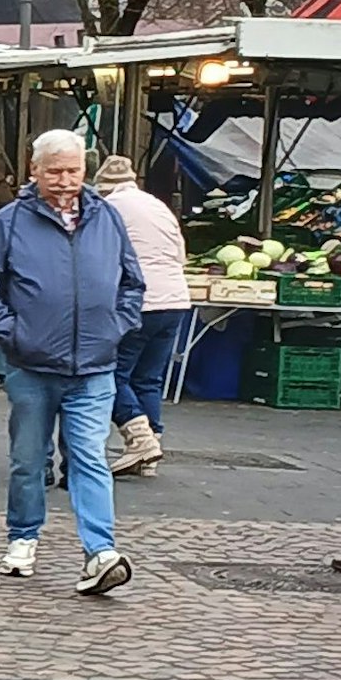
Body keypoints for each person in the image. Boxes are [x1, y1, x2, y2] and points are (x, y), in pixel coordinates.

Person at [0, 130, 143, 597]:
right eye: (55, 171)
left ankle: (100, 552)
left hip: (93, 365)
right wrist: (12, 333)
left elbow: (131, 282)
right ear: (34, 171)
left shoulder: (107, 218)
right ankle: (23, 536)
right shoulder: (10, 221)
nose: (65, 181)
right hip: (31, 365)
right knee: (29, 459)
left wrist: (116, 326)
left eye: (74, 171)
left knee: (90, 458)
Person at [94, 155, 189, 478]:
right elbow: (181, 254)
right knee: (149, 377)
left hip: (139, 302)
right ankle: (152, 452)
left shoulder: (109, 209)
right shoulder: (158, 206)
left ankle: (140, 440)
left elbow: (101, 256)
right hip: (175, 299)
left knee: (111, 374)